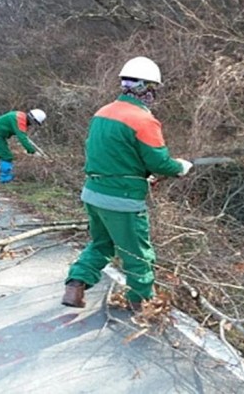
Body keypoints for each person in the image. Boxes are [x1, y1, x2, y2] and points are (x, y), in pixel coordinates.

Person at [61, 56, 193, 311]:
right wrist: (180, 167)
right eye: (154, 89)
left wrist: (141, 176)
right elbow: (160, 162)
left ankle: (75, 285)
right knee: (137, 254)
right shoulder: (143, 120)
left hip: (93, 192)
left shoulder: (103, 113)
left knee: (102, 244)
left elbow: (114, 155)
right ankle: (141, 305)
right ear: (147, 88)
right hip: (121, 199)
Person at [0, 109, 47, 183]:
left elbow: (22, 134)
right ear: (33, 119)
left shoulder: (20, 116)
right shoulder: (20, 120)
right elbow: (22, 138)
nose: (33, 125)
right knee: (6, 156)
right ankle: (5, 179)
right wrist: (32, 151)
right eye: (35, 123)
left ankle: (6, 175)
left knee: (4, 154)